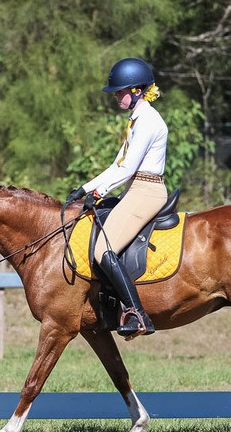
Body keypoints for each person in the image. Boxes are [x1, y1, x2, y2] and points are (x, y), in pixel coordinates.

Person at [66, 57, 169, 339]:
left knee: (103, 250)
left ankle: (137, 314)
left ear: (137, 90)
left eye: (119, 91)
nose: (115, 96)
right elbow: (117, 165)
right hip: (134, 189)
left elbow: (128, 169)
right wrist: (85, 189)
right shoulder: (137, 120)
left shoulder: (148, 121)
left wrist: (99, 193)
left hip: (146, 191)